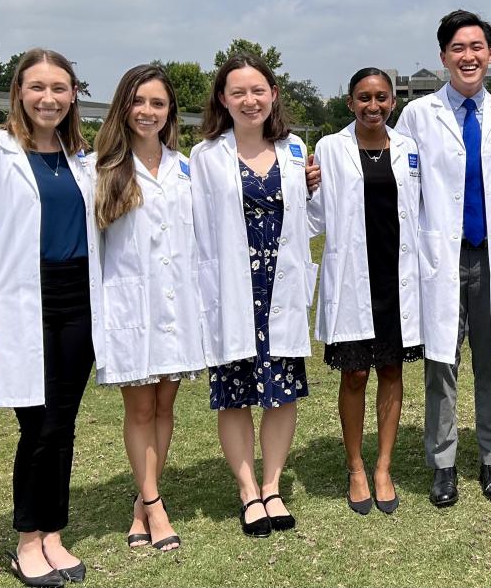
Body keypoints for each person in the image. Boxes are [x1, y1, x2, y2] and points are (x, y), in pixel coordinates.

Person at [0, 48, 103, 586]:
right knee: (38, 425)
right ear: (19, 91)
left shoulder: (81, 154)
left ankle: (53, 534)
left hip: (77, 300)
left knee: (63, 424)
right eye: (38, 87)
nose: (49, 98)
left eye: (60, 88)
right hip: (18, 301)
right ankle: (27, 540)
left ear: (73, 94)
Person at [190, 53, 318, 537]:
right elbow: (196, 230)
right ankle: (247, 492)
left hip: (278, 288)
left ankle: (273, 487)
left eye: (258, 90)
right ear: (223, 99)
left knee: (282, 394)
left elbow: (309, 219)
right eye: (238, 92)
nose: (250, 100)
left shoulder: (293, 151)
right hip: (231, 289)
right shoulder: (204, 157)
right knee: (235, 394)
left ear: (273, 95)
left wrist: (315, 189)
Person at [395, 9, 491, 507]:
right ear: (444, 57)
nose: (468, 57)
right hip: (439, 258)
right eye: (457, 49)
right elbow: (397, 181)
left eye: (477, 47)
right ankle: (443, 463)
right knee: (440, 362)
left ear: (490, 54)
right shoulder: (418, 115)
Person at [93, 64, 204, 551]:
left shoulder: (185, 167)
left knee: (165, 406)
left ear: (169, 112)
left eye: (157, 103)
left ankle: (143, 500)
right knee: (140, 409)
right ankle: (156, 508)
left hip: (178, 304)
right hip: (130, 307)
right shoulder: (101, 169)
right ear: (124, 107)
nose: (147, 112)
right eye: (139, 102)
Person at [309, 68, 423, 515]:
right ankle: (356, 466)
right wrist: (303, 189)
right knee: (355, 374)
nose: (372, 106)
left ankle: (383, 467)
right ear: (349, 103)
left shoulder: (409, 150)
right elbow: (316, 217)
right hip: (353, 278)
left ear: (392, 102)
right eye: (363, 98)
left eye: (381, 98)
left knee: (392, 371)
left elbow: (422, 209)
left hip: (398, 279)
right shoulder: (331, 149)